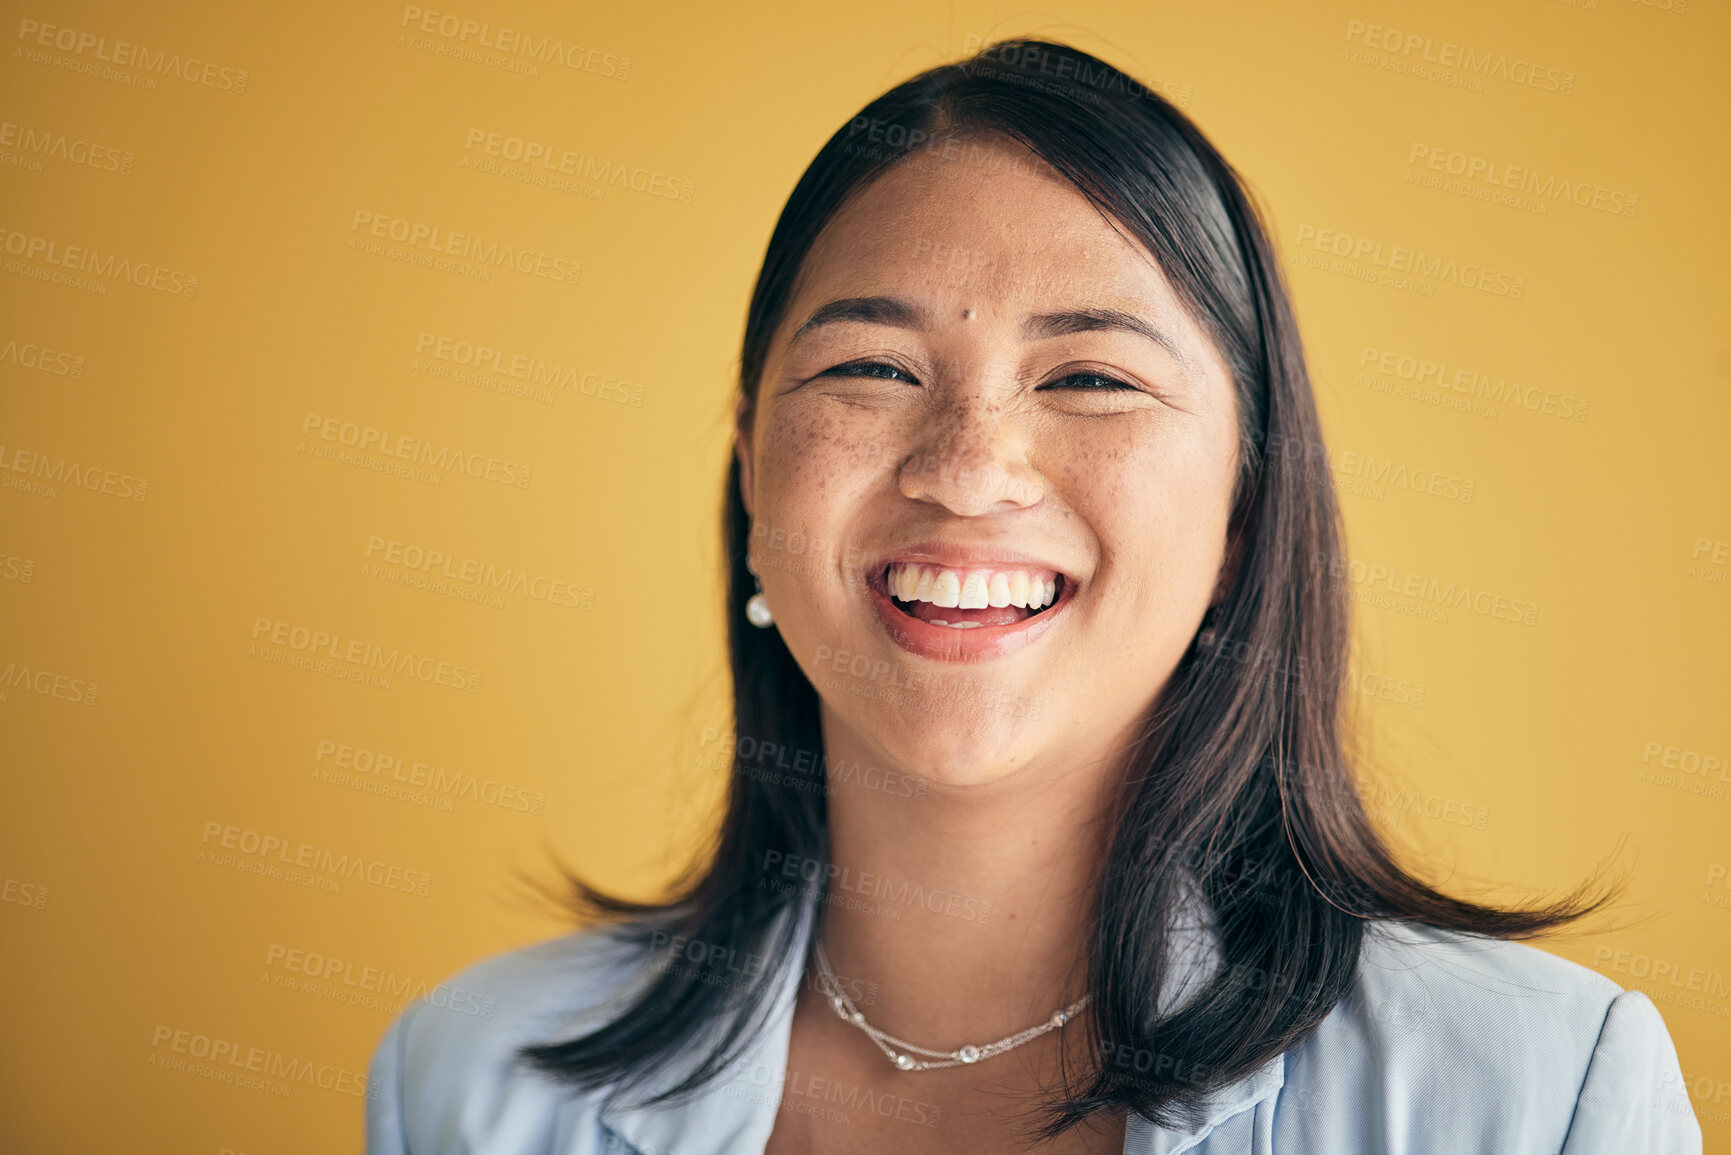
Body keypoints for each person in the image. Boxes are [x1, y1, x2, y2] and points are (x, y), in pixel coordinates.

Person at [366, 38, 1701, 1154]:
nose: (966, 472)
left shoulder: (1540, 1092)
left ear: (1244, 508)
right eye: (872, 369)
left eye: (1092, 378)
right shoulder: (471, 1084)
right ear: (752, 473)